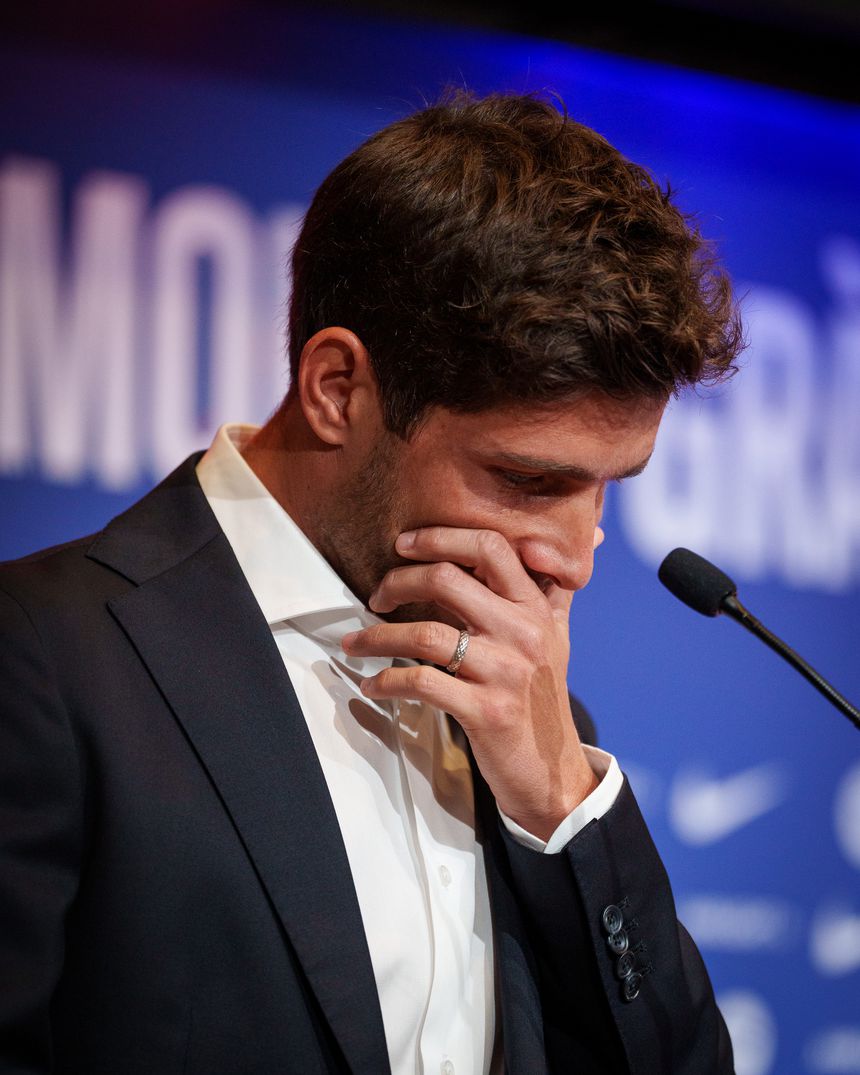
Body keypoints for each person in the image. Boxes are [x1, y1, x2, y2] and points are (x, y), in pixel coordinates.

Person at [0, 92, 742, 1073]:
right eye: (527, 481)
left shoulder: (532, 724)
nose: (575, 556)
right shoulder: (44, 658)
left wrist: (560, 802)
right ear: (337, 388)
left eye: (608, 486)